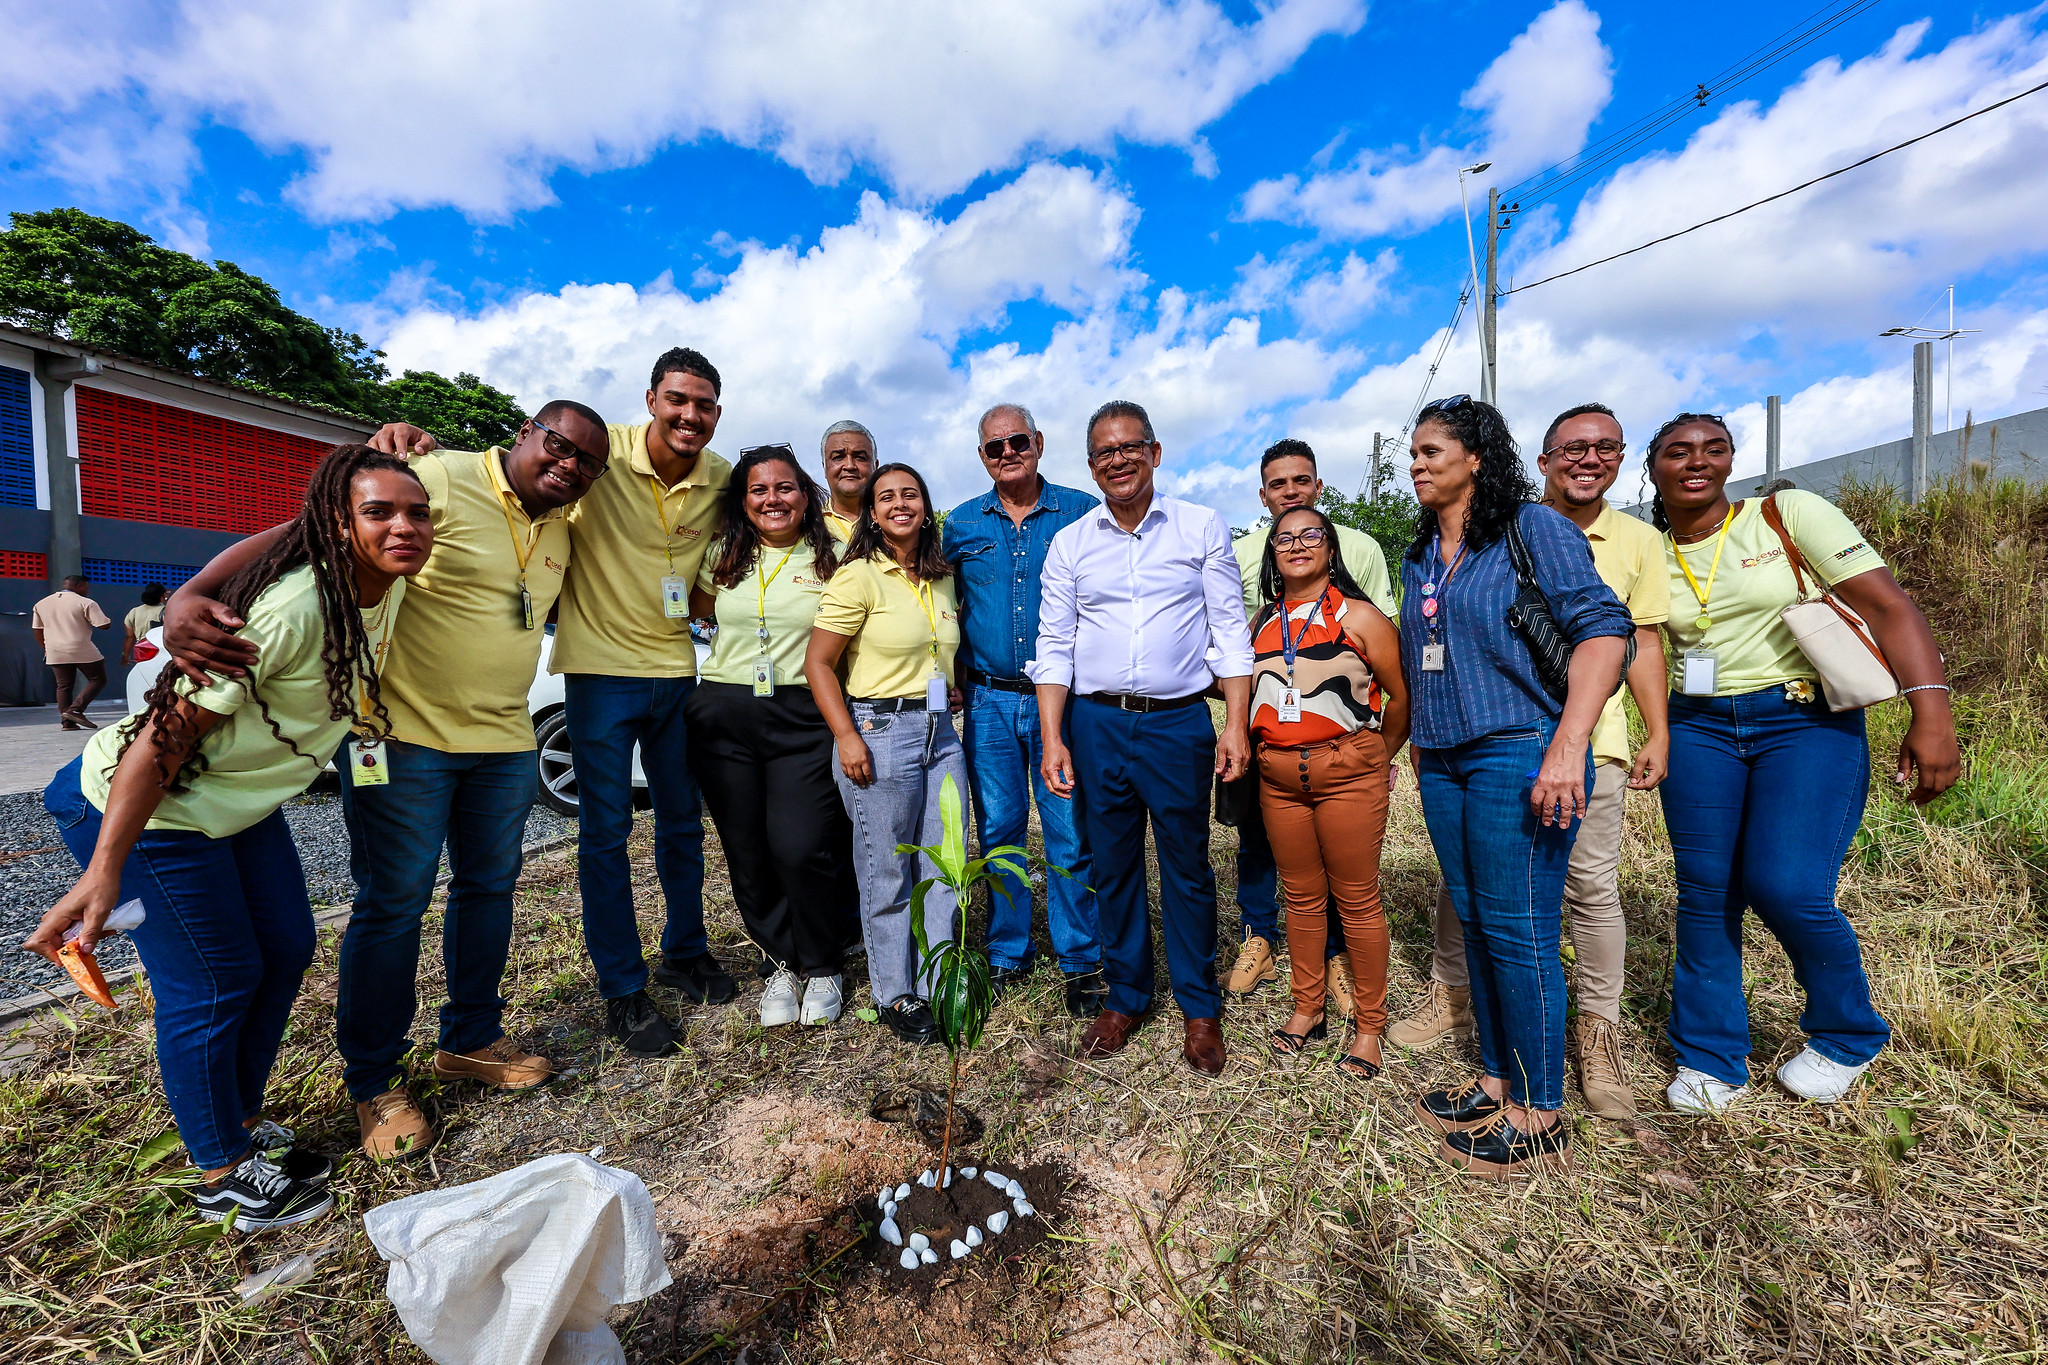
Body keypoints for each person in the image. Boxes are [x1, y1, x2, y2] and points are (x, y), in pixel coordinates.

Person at [167, 404, 607, 1157]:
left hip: (503, 740)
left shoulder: (561, 524)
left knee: (487, 890)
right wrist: (189, 591)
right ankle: (375, 1078)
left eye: (585, 462)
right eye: (558, 446)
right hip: (400, 738)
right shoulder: (437, 473)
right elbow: (313, 527)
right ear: (526, 432)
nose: (567, 465)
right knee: (393, 906)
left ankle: (470, 1037)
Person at [25, 443, 430, 1226]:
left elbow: (288, 530)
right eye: (377, 512)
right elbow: (160, 741)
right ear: (340, 526)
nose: (403, 526)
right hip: (146, 806)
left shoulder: (383, 586)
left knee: (283, 949)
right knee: (213, 979)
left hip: (234, 807)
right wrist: (107, 868)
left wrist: (195, 582)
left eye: (417, 513)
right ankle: (221, 1172)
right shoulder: (294, 611)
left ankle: (238, 1123)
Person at [373, 348, 738, 1055]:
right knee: (605, 835)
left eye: (703, 405)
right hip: (599, 676)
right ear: (652, 398)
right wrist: (407, 438)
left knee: (683, 826)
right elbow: (508, 476)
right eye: (677, 400)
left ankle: (685, 949)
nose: (689, 415)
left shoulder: (720, 478)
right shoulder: (597, 462)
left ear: (716, 414)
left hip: (675, 672)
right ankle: (622, 989)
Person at [1646, 413, 1959, 1113]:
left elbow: (1889, 606)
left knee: (1785, 883)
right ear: (1654, 467)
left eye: (1714, 449)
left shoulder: (1787, 514)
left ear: (1730, 460)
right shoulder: (1649, 550)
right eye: (1678, 451)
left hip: (1804, 719)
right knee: (1706, 891)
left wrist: (1930, 710)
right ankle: (1710, 1055)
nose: (1697, 461)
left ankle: (1848, 1032)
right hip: (1698, 726)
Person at [1390, 403, 1669, 1121]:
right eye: (1411, 452)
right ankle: (1494, 1080)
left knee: (1521, 927)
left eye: (1430, 450)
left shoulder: (1531, 527)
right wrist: (1421, 745)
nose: (1416, 463)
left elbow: (1607, 632)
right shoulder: (1421, 552)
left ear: (1477, 456)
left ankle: (1538, 1109)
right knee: (1479, 920)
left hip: (1518, 748)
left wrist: (1569, 744)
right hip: (1445, 760)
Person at [1032, 399, 1253, 1077]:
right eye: (1104, 451)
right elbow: (1054, 644)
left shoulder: (1199, 526)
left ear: (1155, 453)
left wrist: (1236, 723)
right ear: (1091, 465)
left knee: (1186, 865)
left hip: (1178, 720)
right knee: (1113, 863)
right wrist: (1053, 739)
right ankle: (1126, 995)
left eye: (1131, 447)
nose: (1118, 459)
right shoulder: (1072, 542)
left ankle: (1199, 1006)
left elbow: (1230, 630)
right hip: (1095, 722)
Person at [686, 444, 859, 1029]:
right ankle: (780, 961)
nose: (772, 499)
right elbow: (703, 611)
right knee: (747, 849)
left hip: (802, 714)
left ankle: (824, 963)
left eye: (784, 487)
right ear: (743, 500)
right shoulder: (723, 554)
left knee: (802, 843)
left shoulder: (834, 556)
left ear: (805, 494)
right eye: (758, 490)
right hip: (725, 711)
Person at [941, 402, 1104, 1018]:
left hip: (1060, 699)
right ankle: (1008, 948)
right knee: (1001, 828)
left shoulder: (1080, 512)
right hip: (987, 702)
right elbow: (938, 602)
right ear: (981, 455)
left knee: (1066, 829)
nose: (1007, 453)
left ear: (1038, 441)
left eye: (1017, 442)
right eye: (994, 447)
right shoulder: (959, 524)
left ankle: (1080, 957)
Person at [1226, 439, 1399, 1010]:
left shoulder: (1361, 551)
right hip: (1268, 742)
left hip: (1343, 748)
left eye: (1301, 481)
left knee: (1343, 873)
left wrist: (1381, 749)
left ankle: (1337, 957)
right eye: (1278, 485)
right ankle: (1261, 939)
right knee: (1259, 844)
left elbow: (1389, 664)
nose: (1290, 492)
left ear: (1318, 485)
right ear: (1263, 494)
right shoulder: (1240, 554)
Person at [804, 463, 965, 1045]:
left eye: (911, 494)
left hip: (942, 733)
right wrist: (848, 737)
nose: (900, 504)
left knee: (942, 862)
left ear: (926, 505)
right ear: (872, 513)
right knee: (888, 868)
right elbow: (818, 664)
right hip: (879, 731)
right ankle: (895, 991)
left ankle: (941, 979)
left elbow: (942, 650)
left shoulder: (941, 577)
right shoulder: (857, 578)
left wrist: (952, 682)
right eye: (887, 497)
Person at [1248, 506, 1406, 1078]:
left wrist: (1375, 755)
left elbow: (1400, 695)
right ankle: (1307, 1008)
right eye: (1283, 539)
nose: (1296, 545)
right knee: (1301, 899)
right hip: (1280, 782)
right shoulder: (1263, 623)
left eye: (1310, 534)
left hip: (1349, 775)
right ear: (1272, 554)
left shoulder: (1360, 618)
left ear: (1331, 548)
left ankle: (1369, 1027)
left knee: (1357, 900)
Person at [32, 574, 112, 729]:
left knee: (63, 686)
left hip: (55, 650)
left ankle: (67, 722)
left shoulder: (41, 604)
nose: (87, 590)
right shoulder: (86, 602)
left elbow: (37, 629)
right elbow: (103, 624)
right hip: (80, 647)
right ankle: (75, 709)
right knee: (98, 679)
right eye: (86, 587)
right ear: (79, 586)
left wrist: (46, 648)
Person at [820, 420, 877, 540]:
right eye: (838, 458)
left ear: (875, 467)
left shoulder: (893, 520)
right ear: (824, 467)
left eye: (860, 457)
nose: (850, 465)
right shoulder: (809, 525)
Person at [122, 583, 168, 666]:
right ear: (162, 596)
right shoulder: (166, 611)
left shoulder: (134, 611)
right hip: (160, 650)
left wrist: (125, 655)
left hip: (141, 651)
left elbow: (129, 636)